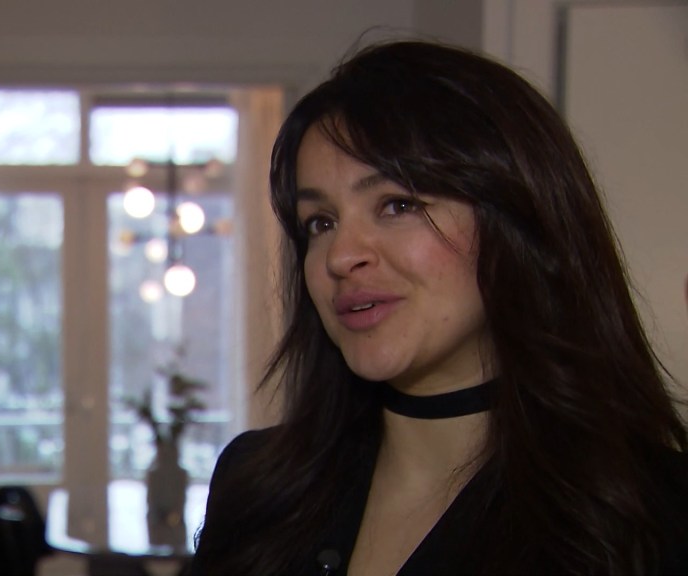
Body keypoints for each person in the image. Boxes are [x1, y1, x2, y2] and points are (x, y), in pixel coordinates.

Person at [190, 40, 688, 575]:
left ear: (517, 222)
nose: (341, 255)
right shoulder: (254, 490)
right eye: (321, 222)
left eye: (397, 204)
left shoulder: (656, 516)